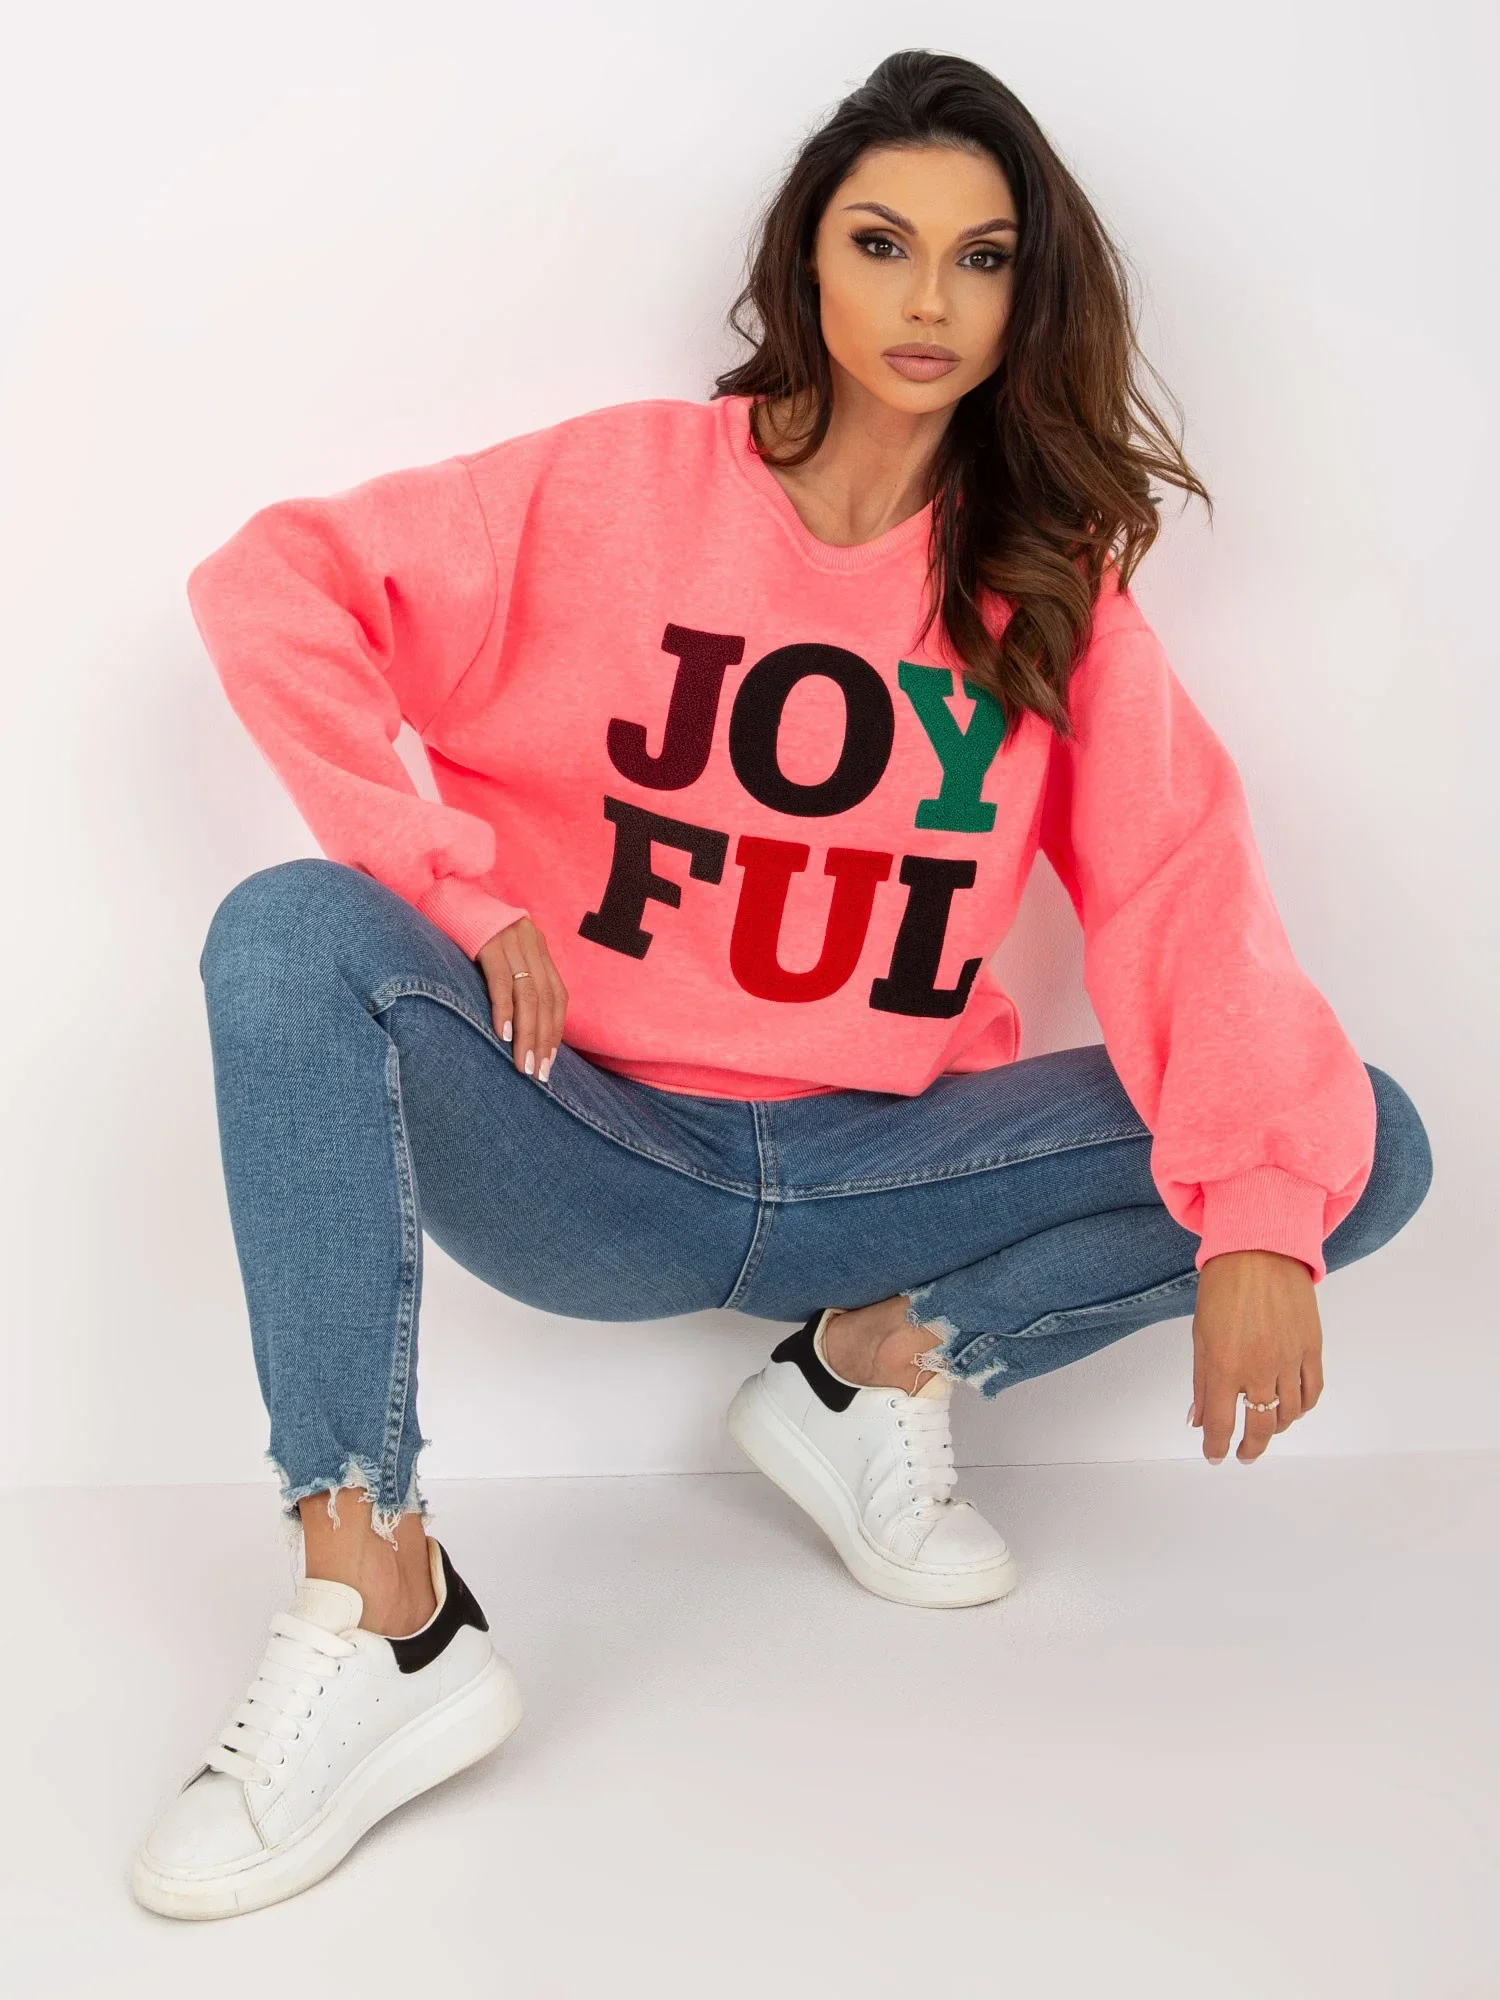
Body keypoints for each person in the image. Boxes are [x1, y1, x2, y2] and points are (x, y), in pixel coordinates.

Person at [130, 49, 1432, 1920]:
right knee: (286, 928)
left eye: (981, 257)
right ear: (805, 261)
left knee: (1344, 1146)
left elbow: (1176, 887)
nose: (928, 298)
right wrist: (447, 886)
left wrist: (1254, 1214)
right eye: (881, 242)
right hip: (597, 1151)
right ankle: (381, 1603)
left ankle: (877, 1365)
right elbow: (275, 586)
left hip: (875, 1178)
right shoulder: (622, 487)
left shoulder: (1045, 583)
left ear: (1028, 295)